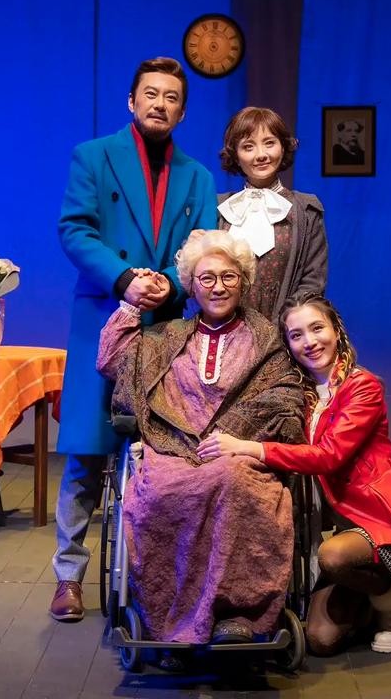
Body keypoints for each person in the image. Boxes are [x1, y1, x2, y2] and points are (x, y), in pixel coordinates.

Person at [197, 294, 391, 655]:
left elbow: (329, 456)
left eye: (317, 328)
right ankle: (363, 604)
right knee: (320, 641)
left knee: (333, 557)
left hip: (378, 515)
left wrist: (249, 447)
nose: (310, 341)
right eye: (296, 335)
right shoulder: (298, 392)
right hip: (339, 519)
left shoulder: (363, 386)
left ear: (337, 331)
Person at [52, 57, 217, 622]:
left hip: (165, 326)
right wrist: (123, 278)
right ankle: (68, 576)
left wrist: (170, 281)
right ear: (131, 100)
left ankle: (151, 578)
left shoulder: (197, 176)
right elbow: (75, 229)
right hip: (104, 315)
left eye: (171, 97)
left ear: (182, 111)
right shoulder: (93, 156)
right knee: (87, 451)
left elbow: (201, 246)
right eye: (151, 93)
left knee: (159, 456)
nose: (159, 104)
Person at [96, 229, 304, 644]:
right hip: (172, 451)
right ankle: (170, 621)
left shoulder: (267, 340)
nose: (218, 287)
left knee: (233, 480)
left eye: (228, 276)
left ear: (244, 282)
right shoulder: (165, 338)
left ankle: (236, 615)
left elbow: (284, 398)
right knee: (159, 492)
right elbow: (112, 360)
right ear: (191, 285)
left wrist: (235, 437)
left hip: (238, 454)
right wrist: (132, 304)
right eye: (206, 278)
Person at [217, 107, 328, 323]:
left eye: (269, 143)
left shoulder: (306, 211)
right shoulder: (220, 209)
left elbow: (313, 281)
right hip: (226, 329)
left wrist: (283, 328)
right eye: (248, 146)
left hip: (285, 331)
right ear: (235, 155)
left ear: (283, 147)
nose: (261, 155)